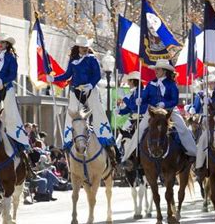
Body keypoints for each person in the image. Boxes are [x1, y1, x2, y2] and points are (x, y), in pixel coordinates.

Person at [47, 35, 118, 165]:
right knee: (71, 114)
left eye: (86, 47)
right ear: (78, 47)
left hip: (89, 89)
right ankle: (68, 142)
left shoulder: (92, 59)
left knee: (98, 113)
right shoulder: (73, 60)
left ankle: (107, 143)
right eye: (82, 47)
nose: (84, 49)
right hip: (76, 90)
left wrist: (90, 85)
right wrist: (54, 79)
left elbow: (96, 75)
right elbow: (67, 75)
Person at [122, 59, 197, 163]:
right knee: (140, 129)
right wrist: (140, 99)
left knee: (183, 128)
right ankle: (129, 156)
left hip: (169, 110)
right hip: (153, 110)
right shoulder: (151, 83)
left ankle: (192, 153)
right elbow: (145, 96)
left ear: (164, 71)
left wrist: (164, 104)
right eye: (155, 69)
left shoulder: (172, 84)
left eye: (158, 69)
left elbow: (174, 100)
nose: (155, 71)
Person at [115, 71, 147, 144]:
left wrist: (124, 97)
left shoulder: (141, 92)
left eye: (128, 81)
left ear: (132, 81)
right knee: (120, 138)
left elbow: (133, 106)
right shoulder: (134, 93)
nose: (128, 84)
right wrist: (119, 111)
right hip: (133, 120)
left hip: (141, 120)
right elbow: (129, 109)